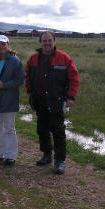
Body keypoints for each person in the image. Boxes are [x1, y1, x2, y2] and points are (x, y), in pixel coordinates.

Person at [25, 31, 79, 174]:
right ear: (40, 42)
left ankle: (60, 161)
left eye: (50, 41)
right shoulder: (34, 59)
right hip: (40, 100)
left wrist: (70, 97)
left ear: (54, 41)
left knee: (58, 132)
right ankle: (47, 155)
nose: (47, 43)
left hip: (57, 101)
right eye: (44, 41)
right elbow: (28, 76)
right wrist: (30, 92)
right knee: (42, 130)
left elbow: (74, 78)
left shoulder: (64, 58)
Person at [0, 35, 25, 166]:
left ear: (8, 44)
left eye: (3, 44)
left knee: (9, 127)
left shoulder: (15, 61)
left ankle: (10, 156)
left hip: (9, 98)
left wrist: (5, 85)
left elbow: (20, 80)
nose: (1, 46)